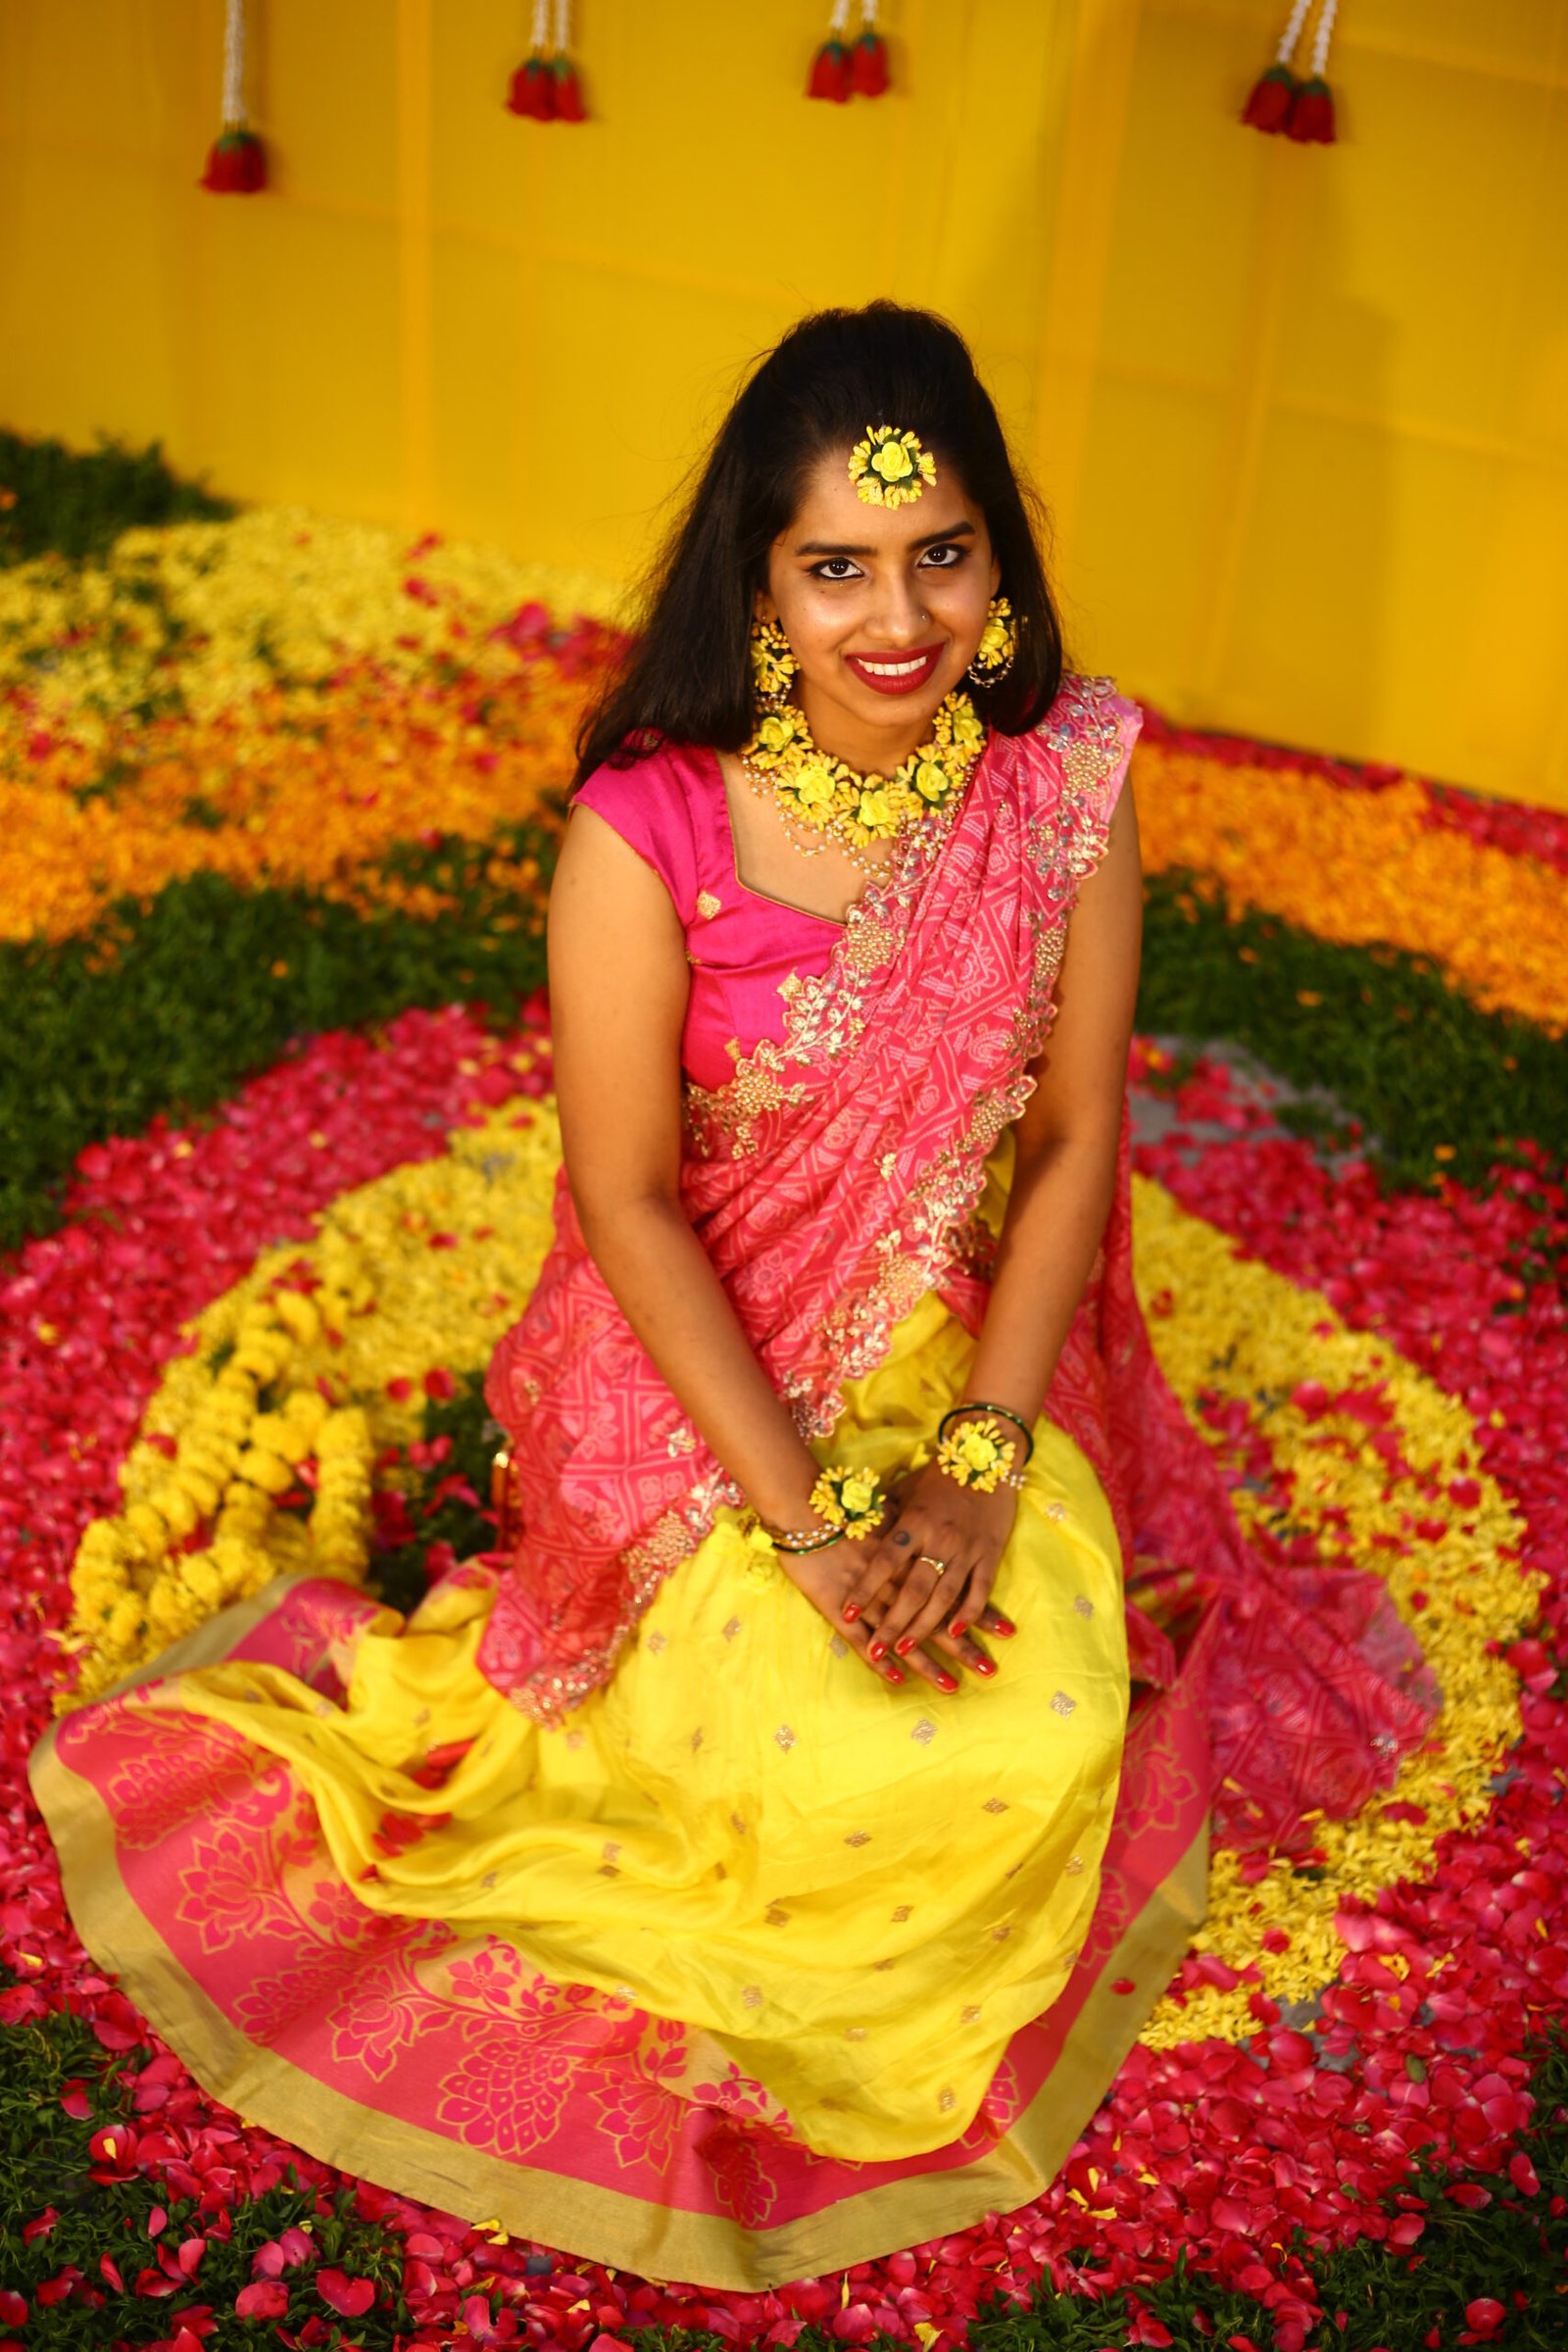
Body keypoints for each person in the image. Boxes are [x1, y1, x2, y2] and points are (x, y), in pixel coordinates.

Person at [31, 304, 1436, 2291]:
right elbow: (626, 1201)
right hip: (691, 1393)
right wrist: (805, 1522)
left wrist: (974, 1467)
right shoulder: (650, 825)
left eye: (942, 555)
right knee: (808, 1743)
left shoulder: (1060, 786)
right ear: (759, 584)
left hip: (958, 1366)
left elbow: (1068, 1148)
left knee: (1022, 1713)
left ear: (999, 558)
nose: (899, 619)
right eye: (838, 567)